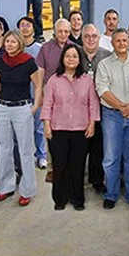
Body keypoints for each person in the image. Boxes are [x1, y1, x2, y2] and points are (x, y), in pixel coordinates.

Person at [96, 30, 129, 209]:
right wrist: (121, 107)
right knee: (111, 156)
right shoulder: (104, 65)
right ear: (112, 43)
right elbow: (102, 89)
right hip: (112, 116)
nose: (121, 43)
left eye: (124, 40)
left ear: (128, 42)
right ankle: (111, 194)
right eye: (117, 41)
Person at [40, 44, 98, 210]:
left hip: (81, 129)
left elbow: (92, 103)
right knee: (60, 165)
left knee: (77, 166)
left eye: (74, 56)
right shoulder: (54, 80)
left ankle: (77, 199)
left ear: (80, 60)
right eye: (68, 56)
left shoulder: (87, 80)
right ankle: (60, 199)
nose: (71, 59)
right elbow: (47, 104)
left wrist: (92, 123)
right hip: (58, 129)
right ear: (62, 59)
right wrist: (47, 125)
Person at [0, 30, 41, 205]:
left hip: (21, 109)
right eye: (7, 41)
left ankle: (27, 190)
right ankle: (6, 187)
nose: (9, 44)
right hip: (2, 108)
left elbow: (38, 86)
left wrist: (34, 107)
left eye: (13, 42)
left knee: (25, 150)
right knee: (4, 148)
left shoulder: (28, 62)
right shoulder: (2, 62)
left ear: (20, 43)